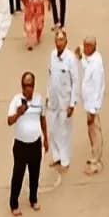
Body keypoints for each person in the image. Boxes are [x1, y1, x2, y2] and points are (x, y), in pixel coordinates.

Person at [8, 71, 48, 217]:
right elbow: (9, 121)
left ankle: (33, 199)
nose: (28, 88)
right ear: (22, 86)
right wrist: (19, 113)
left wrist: (46, 138)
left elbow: (42, 119)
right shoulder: (16, 100)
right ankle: (14, 203)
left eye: (30, 85)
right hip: (21, 145)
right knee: (18, 175)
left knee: (34, 174)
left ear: (34, 85)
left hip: (35, 144)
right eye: (25, 85)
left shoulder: (39, 100)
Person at [47, 29, 80, 173]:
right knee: (53, 129)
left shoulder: (70, 58)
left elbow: (76, 81)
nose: (59, 42)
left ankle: (65, 160)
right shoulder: (52, 55)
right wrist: (47, 95)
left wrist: (72, 103)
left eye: (61, 40)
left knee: (65, 131)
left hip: (65, 101)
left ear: (66, 41)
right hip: (53, 99)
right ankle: (57, 156)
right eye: (57, 39)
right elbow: (50, 76)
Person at [76, 37, 106, 175]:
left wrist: (93, 110)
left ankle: (96, 160)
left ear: (93, 47)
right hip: (88, 103)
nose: (85, 49)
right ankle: (94, 154)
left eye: (87, 46)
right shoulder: (90, 59)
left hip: (92, 105)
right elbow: (85, 66)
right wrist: (81, 57)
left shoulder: (96, 65)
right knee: (91, 130)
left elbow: (98, 87)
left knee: (95, 131)